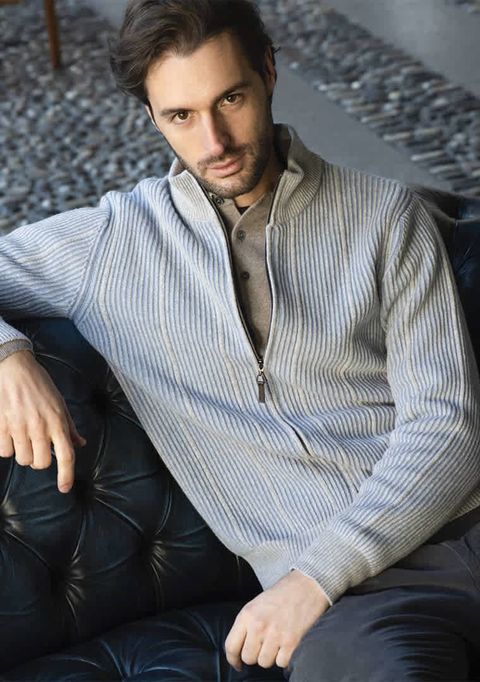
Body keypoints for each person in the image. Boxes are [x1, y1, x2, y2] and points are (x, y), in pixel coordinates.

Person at [1, 0, 480, 679]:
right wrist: (10, 357)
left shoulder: (385, 215)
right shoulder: (111, 245)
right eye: (181, 115)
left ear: (269, 73)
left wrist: (313, 576)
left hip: (433, 531)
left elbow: (448, 425)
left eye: (231, 99)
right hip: (363, 608)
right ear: (151, 116)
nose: (215, 142)